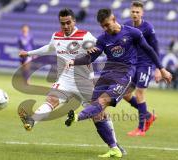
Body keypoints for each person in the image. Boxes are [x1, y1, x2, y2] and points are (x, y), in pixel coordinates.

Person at [18, 8, 126, 158]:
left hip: (84, 81)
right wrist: (29, 53)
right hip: (65, 79)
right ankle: (32, 121)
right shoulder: (56, 36)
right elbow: (49, 48)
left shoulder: (84, 36)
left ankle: (115, 145)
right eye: (63, 23)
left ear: (74, 21)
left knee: (99, 114)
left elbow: (102, 46)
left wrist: (98, 51)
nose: (66, 26)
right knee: (52, 99)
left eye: (68, 22)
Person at [65, 8, 172, 156]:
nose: (105, 28)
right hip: (107, 73)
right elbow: (90, 58)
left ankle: (77, 117)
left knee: (102, 101)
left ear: (114, 19)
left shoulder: (132, 33)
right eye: (103, 26)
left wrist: (161, 69)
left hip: (125, 73)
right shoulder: (102, 39)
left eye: (107, 25)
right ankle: (114, 148)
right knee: (97, 112)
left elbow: (149, 50)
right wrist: (74, 61)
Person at [122, 1, 162, 136]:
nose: (135, 14)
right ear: (130, 12)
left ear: (142, 13)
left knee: (139, 94)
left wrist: (158, 68)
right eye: (133, 11)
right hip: (132, 64)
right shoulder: (126, 25)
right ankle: (149, 115)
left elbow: (155, 48)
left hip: (145, 65)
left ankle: (141, 128)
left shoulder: (148, 28)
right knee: (126, 94)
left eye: (137, 12)